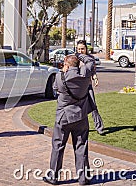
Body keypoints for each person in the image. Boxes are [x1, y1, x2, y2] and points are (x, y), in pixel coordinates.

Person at [43, 54, 94, 185]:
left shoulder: (61, 77)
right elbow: (91, 61)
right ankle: (83, 178)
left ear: (67, 64)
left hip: (63, 117)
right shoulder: (85, 74)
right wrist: (79, 55)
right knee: (81, 146)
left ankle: (53, 176)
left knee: (58, 146)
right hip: (81, 116)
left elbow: (55, 88)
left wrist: (64, 70)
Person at [76, 40, 105, 135]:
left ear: (86, 49)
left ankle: (99, 127)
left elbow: (93, 71)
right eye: (79, 49)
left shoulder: (90, 58)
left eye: (82, 49)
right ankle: (79, 128)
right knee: (78, 108)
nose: (80, 51)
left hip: (88, 86)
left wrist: (95, 78)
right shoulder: (75, 58)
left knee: (93, 106)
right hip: (78, 88)